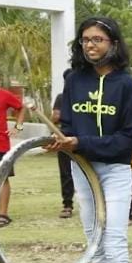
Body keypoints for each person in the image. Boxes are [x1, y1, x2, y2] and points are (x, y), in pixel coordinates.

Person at [45, 16, 132, 263]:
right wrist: (62, 141)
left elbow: (127, 141)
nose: (90, 45)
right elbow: (68, 124)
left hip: (115, 171)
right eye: (85, 39)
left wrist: (80, 141)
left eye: (98, 39)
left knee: (115, 244)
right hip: (82, 169)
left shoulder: (127, 85)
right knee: (94, 242)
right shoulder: (74, 80)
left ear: (113, 43)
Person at [0, 62, 26, 227]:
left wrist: (18, 126)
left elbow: (21, 108)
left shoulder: (4, 95)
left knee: (2, 179)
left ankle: (3, 214)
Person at [51, 71, 75, 218]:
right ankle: (68, 204)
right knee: (68, 171)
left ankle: (68, 205)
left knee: (68, 172)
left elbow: (55, 117)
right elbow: (55, 118)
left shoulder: (63, 97)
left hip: (75, 138)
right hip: (67, 138)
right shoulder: (63, 97)